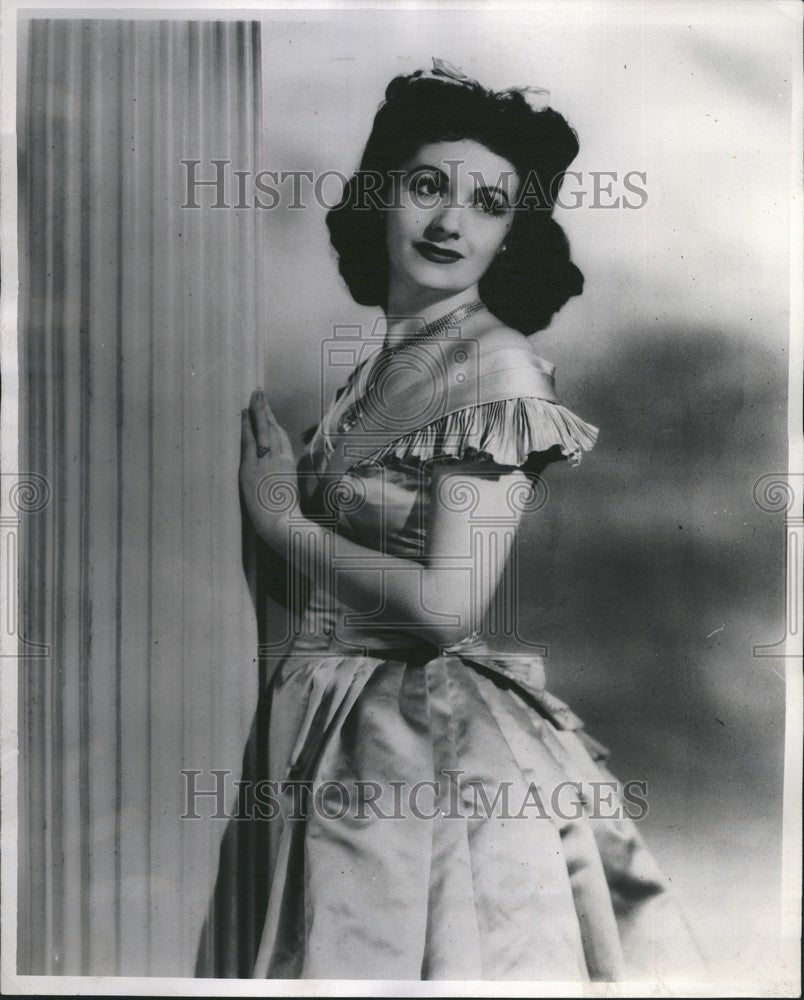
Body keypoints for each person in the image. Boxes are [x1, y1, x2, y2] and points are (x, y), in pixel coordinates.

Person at [238, 59, 703, 981]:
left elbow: (449, 608)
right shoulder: (393, 356)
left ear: (511, 234)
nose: (451, 221)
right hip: (346, 726)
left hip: (427, 748)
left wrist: (286, 523)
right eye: (426, 186)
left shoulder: (498, 370)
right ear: (383, 195)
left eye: (489, 203)